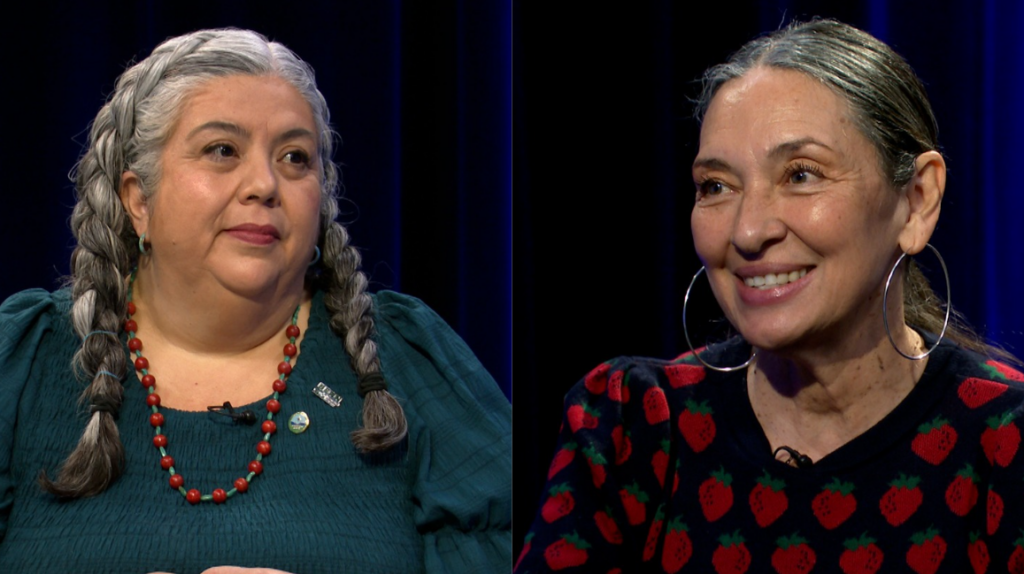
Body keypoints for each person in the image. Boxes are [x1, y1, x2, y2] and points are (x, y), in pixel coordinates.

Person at [515, 19, 1024, 574]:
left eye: (801, 175)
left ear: (917, 201)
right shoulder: (630, 426)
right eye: (716, 186)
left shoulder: (1006, 438)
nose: (748, 231)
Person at [0, 29, 511, 573]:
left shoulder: (408, 361)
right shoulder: (25, 359)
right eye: (222, 151)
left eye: (295, 158)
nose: (265, 184)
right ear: (138, 200)